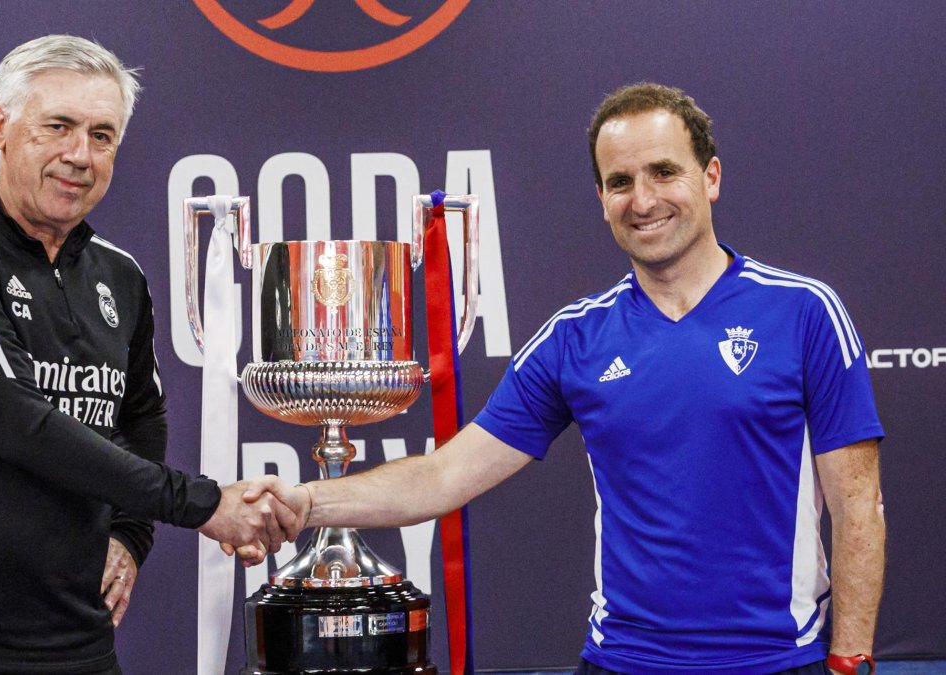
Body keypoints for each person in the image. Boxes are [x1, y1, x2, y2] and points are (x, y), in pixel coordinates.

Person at [248, 83, 886, 675]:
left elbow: (860, 511)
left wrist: (850, 662)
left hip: (777, 662)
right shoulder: (574, 338)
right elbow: (444, 475)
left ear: (710, 177)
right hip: (620, 662)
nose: (643, 200)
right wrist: (308, 503)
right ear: (602, 199)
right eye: (620, 182)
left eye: (664, 172)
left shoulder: (804, 313)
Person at [0, 35, 297, 674]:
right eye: (57, 127)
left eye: (102, 135)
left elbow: (141, 417)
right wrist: (203, 504)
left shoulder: (119, 274)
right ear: (1, 126)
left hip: (79, 641)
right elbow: (16, 421)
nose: (78, 155)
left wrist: (131, 534)